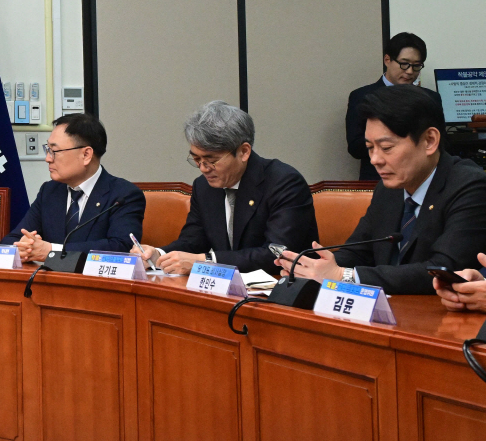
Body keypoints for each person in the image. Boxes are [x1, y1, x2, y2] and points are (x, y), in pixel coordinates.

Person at [278, 85, 486, 295]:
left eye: (386, 148)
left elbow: (443, 270)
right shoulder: (389, 190)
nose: (375, 160)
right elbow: (357, 253)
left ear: (429, 141)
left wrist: (344, 276)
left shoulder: (470, 186)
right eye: (370, 148)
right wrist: (311, 269)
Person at [133, 101, 317, 275]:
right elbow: (193, 241)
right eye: (196, 159)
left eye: (211, 160)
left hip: (283, 286)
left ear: (244, 152)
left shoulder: (284, 182)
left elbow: (277, 254)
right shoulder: (203, 186)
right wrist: (158, 255)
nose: (203, 168)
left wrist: (207, 261)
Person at [2, 113, 145, 262]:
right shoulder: (49, 191)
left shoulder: (123, 195)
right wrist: (24, 247)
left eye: (54, 151)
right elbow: (11, 240)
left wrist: (52, 251)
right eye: (47, 149)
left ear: (86, 155)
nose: (48, 158)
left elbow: (122, 247)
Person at [346, 32, 441, 181]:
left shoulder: (430, 98)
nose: (410, 71)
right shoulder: (362, 96)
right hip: (378, 180)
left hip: (421, 180)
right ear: (387, 60)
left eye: (416, 66)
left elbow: (442, 144)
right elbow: (355, 147)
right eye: (404, 64)